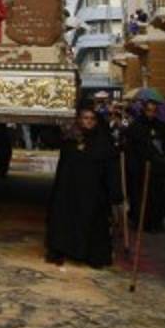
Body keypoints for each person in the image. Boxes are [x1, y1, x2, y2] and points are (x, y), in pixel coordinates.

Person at [45, 106, 122, 267]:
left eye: (91, 119)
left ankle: (89, 254)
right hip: (70, 190)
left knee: (93, 223)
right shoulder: (71, 139)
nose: (88, 122)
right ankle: (64, 250)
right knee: (66, 220)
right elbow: (51, 143)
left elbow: (111, 170)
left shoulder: (104, 142)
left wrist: (115, 193)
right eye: (85, 118)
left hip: (93, 192)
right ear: (79, 120)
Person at [125, 99, 165, 233]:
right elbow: (131, 148)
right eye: (148, 111)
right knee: (142, 198)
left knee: (159, 197)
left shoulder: (162, 127)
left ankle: (157, 221)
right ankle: (142, 221)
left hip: (158, 170)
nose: (151, 114)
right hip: (141, 170)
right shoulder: (135, 127)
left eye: (154, 111)